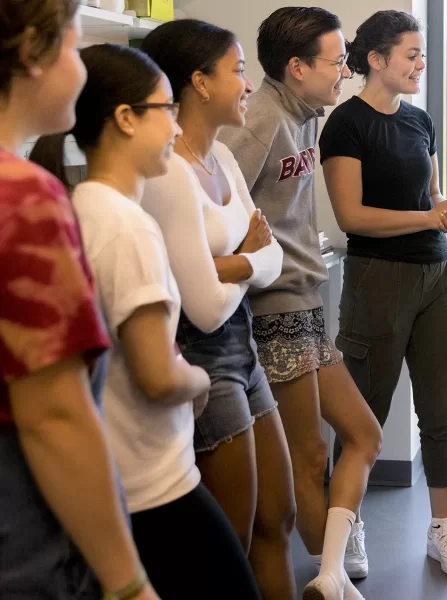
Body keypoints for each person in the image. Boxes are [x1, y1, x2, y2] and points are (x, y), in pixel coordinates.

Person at [31, 43, 263, 599]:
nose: (176, 125)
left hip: (124, 473)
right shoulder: (129, 227)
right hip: (155, 481)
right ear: (126, 119)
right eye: (167, 110)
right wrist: (200, 379)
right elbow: (159, 376)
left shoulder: (80, 205)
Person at [218, 8, 382, 599]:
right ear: (297, 67)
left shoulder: (307, 116)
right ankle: (328, 577)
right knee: (308, 457)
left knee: (364, 435)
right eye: (337, 61)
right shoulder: (258, 120)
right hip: (273, 308)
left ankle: (332, 570)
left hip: (307, 303)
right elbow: (215, 211)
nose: (346, 70)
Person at [0, 2, 159, 599]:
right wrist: (129, 583)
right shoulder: (25, 199)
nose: (83, 67)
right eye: (71, 45)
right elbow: (54, 416)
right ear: (30, 52)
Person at [139, 19, 297, 598]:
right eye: (237, 70)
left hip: (245, 347)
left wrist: (228, 265)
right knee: (231, 537)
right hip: (205, 359)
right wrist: (243, 263)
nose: (248, 84)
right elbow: (201, 309)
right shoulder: (170, 175)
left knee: (277, 518)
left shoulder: (224, 163)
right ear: (199, 83)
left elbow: (272, 255)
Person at [319, 10, 447, 579]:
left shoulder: (420, 122)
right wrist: (428, 217)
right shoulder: (345, 123)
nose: (419, 64)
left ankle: (442, 527)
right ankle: (348, 528)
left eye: (422, 56)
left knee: (442, 411)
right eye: (411, 55)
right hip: (376, 279)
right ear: (378, 59)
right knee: (364, 413)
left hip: (438, 277)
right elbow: (351, 217)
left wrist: (445, 212)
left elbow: (428, 197)